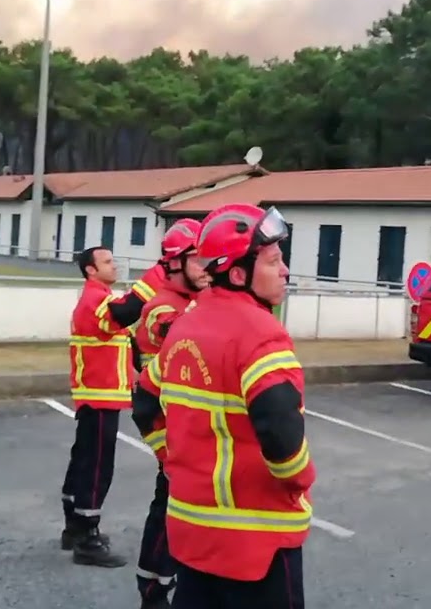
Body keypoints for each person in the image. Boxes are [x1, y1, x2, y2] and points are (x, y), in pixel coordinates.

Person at [147, 203, 315, 609]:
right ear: (239, 274)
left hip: (191, 534)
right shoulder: (262, 335)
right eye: (274, 261)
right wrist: (299, 483)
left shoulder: (185, 324)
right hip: (257, 542)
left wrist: (171, 460)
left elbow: (143, 399)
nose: (285, 270)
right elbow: (280, 434)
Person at [61, 245, 165, 567]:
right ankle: (87, 539)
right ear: (90, 270)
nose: (114, 265)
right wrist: (163, 270)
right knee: (96, 467)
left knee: (83, 460)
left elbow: (125, 336)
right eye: (107, 262)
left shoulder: (100, 298)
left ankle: (74, 528)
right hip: (99, 396)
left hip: (101, 396)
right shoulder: (96, 301)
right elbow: (127, 310)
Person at [129, 218, 210, 609]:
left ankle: (167, 579)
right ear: (174, 263)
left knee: (181, 506)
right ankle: (153, 590)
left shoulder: (190, 300)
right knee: (167, 506)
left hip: (184, 421)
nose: (206, 268)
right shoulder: (164, 306)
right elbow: (185, 335)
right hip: (164, 420)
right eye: (197, 260)